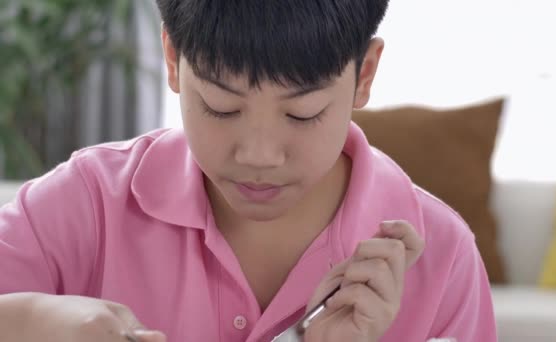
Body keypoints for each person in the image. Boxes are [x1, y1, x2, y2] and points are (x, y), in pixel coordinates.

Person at [0, 1, 497, 341]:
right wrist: (30, 320)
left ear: (363, 74)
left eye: (302, 114)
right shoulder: (87, 203)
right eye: (221, 106)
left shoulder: (443, 258)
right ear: (173, 58)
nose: (260, 155)